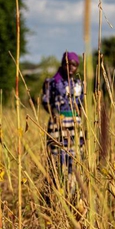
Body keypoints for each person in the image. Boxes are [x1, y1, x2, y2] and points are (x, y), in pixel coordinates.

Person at [42, 51, 85, 197]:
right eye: (68, 64)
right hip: (58, 123)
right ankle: (56, 192)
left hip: (75, 124)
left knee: (75, 158)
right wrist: (53, 113)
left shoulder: (79, 84)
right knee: (57, 157)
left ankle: (72, 193)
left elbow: (82, 103)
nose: (71, 67)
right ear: (63, 64)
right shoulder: (52, 82)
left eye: (74, 65)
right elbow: (45, 101)